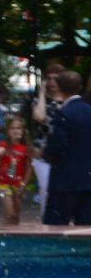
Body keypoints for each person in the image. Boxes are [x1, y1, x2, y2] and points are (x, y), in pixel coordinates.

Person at [42, 70, 91, 226]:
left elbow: (57, 146)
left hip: (64, 183)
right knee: (85, 230)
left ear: (59, 88)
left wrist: (45, 153)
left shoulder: (63, 114)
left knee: (54, 228)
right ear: (80, 87)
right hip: (88, 181)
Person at [31, 63, 65, 215]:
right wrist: (42, 92)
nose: (52, 82)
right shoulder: (39, 101)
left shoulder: (68, 101)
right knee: (45, 190)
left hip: (65, 154)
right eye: (49, 79)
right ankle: (46, 220)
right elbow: (39, 116)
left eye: (55, 79)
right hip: (42, 154)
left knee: (64, 191)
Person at [0, 116, 30, 224]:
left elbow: (28, 168)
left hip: (18, 183)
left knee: (16, 215)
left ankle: (12, 234)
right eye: (12, 128)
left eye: (18, 128)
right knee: (10, 213)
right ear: (8, 131)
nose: (15, 131)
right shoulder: (2, 145)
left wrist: (24, 185)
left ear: (22, 131)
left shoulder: (26, 148)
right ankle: (7, 230)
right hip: (3, 183)